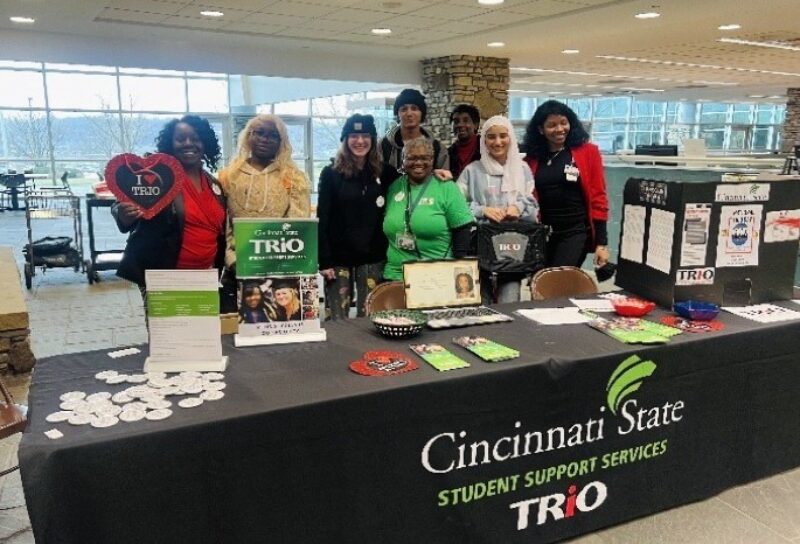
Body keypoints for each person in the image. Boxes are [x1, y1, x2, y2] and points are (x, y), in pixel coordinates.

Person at [113, 115, 226, 296]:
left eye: (195, 139)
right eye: (180, 139)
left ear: (205, 143)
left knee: (200, 325)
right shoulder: (157, 177)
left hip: (206, 276)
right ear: (170, 144)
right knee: (169, 326)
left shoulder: (214, 184)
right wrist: (123, 214)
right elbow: (124, 203)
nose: (188, 143)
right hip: (164, 276)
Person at [458, 115, 539, 303]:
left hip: (512, 247)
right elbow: (457, 207)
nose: (498, 142)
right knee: (480, 302)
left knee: (509, 301)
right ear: (484, 141)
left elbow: (532, 205)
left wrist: (518, 208)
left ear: (511, 137)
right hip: (480, 247)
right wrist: (482, 210)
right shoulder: (472, 171)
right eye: (491, 137)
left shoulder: (523, 168)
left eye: (503, 136)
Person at [522, 100, 610, 269]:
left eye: (564, 123)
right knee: (540, 284)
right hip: (544, 233)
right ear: (540, 129)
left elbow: (598, 197)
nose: (560, 129)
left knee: (558, 281)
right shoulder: (532, 160)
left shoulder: (588, 152)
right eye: (552, 125)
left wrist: (602, 243)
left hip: (575, 232)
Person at [219, 114, 311, 270]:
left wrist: (280, 260)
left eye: (273, 136)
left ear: (281, 142)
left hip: (280, 262)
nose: (265, 139)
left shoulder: (293, 177)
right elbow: (223, 221)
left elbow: (298, 223)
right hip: (237, 262)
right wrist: (231, 259)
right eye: (259, 133)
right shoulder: (228, 176)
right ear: (249, 136)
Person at [317, 114, 386, 320]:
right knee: (338, 318)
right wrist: (324, 260)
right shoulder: (330, 174)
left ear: (373, 140)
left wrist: (439, 172)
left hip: (372, 258)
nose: (360, 141)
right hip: (338, 259)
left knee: (371, 316)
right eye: (353, 136)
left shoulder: (385, 172)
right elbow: (323, 219)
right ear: (345, 140)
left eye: (365, 135)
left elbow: (413, 175)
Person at [382, 137, 474, 281]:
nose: (418, 162)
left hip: (436, 276)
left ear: (432, 160)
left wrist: (457, 270)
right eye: (412, 158)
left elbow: (462, 230)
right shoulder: (394, 187)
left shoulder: (446, 187)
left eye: (425, 158)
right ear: (403, 160)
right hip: (396, 275)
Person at [380, 89, 449, 185]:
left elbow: (444, 181)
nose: (409, 114)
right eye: (403, 109)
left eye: (414, 108)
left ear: (422, 113)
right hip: (391, 197)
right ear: (397, 114)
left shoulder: (437, 148)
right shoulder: (384, 145)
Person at [447, 104, 481, 180]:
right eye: (456, 121)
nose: (460, 125)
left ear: (475, 125)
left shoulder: (486, 149)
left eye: (466, 120)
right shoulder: (447, 154)